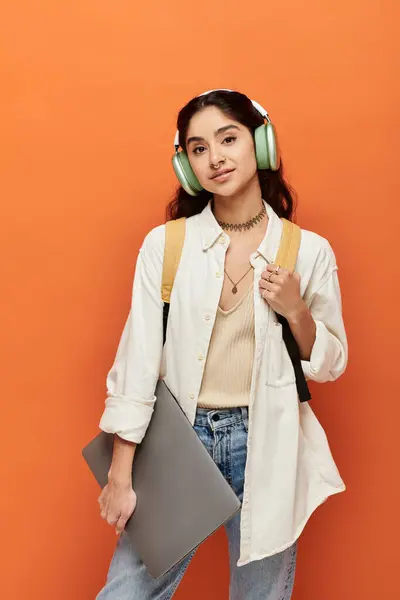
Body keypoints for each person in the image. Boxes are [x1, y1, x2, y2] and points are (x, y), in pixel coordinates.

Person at [95, 89, 348, 599]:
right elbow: (137, 361)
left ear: (261, 143)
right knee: (126, 592)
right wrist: (120, 473)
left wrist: (296, 310)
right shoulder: (166, 246)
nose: (216, 157)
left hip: (269, 441)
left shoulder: (308, 250)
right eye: (198, 147)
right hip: (179, 439)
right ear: (187, 165)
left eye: (228, 138)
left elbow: (330, 364)